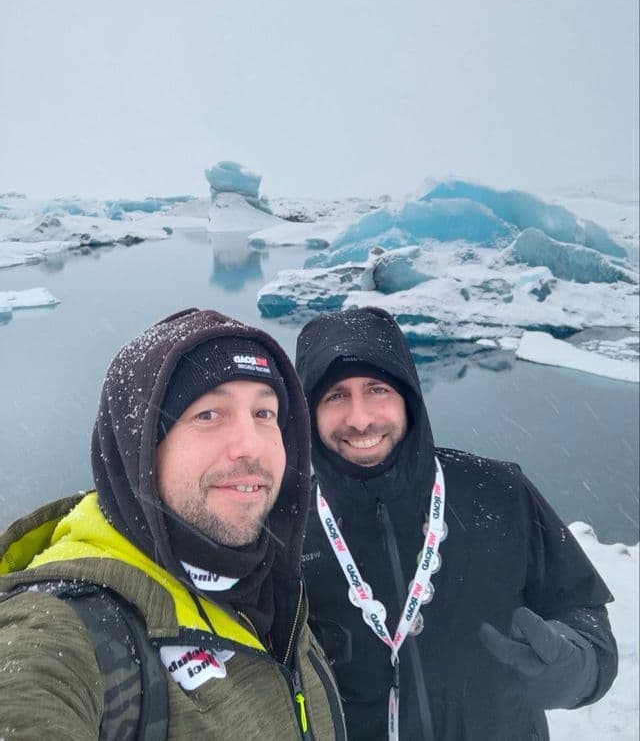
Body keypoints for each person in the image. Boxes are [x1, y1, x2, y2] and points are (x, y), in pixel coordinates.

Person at [0, 307, 346, 740]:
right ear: (140, 447)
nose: (250, 446)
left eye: (264, 414)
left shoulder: (268, 581)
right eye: (208, 415)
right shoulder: (66, 627)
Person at [296, 306, 618, 741]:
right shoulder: (289, 530)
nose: (360, 418)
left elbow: (585, 617)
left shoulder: (499, 492)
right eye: (335, 396)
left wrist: (574, 667)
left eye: (377, 389)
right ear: (308, 412)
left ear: (409, 396)